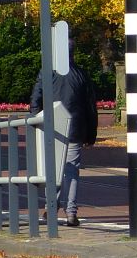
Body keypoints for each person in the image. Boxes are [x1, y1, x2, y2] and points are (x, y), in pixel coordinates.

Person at [30, 44, 98, 227]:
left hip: (52, 127)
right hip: (75, 128)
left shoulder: (47, 72)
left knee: (52, 169)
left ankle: (51, 207)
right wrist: (91, 134)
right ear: (73, 54)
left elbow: (36, 100)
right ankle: (71, 212)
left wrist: (36, 122)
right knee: (72, 171)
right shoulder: (82, 74)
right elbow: (91, 107)